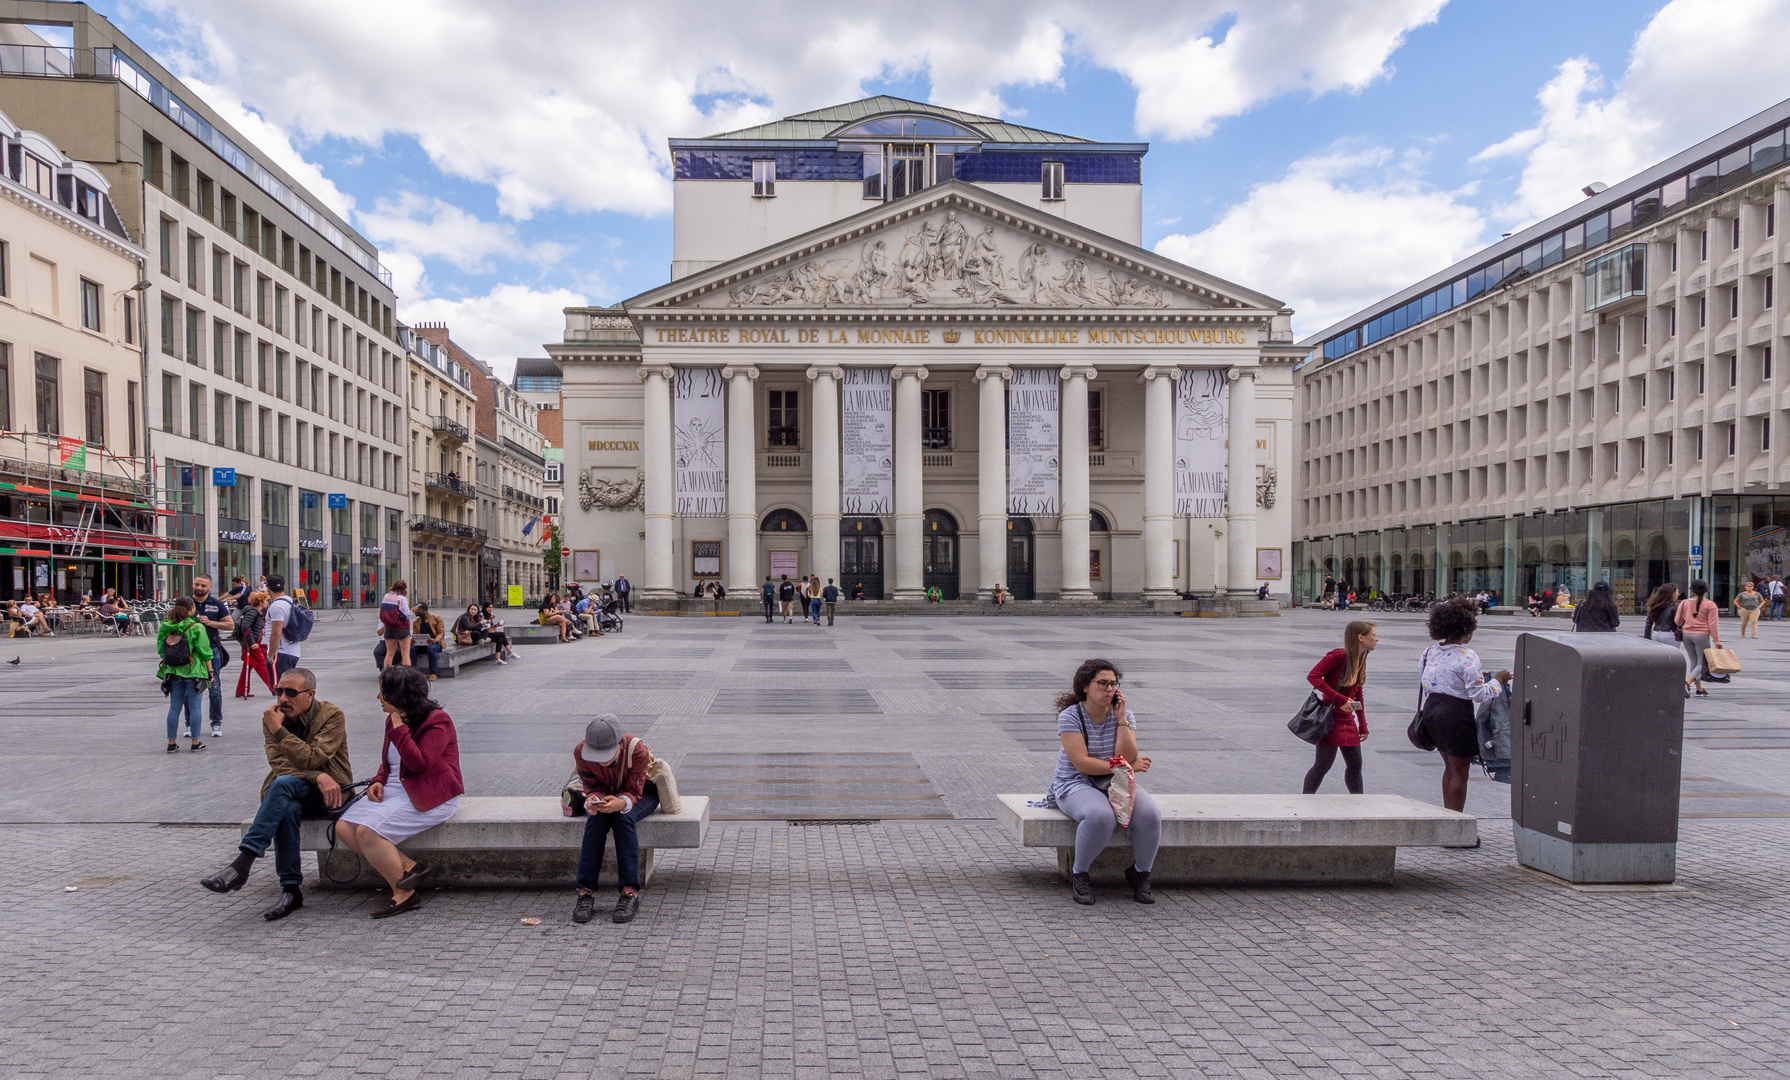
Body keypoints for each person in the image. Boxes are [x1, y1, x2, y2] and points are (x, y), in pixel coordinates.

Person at [199, 667, 350, 920]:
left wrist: (280, 733)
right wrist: (316, 776)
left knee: (281, 786)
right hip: (293, 790)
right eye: (278, 691)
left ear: (310, 694)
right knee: (286, 802)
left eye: (291, 693)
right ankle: (291, 890)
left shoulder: (331, 715)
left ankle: (243, 863)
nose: (282, 699)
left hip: (331, 794)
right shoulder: (273, 717)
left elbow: (314, 757)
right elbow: (279, 764)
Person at [333, 666, 464, 919]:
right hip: (395, 788)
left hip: (430, 794)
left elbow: (420, 764)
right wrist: (378, 779)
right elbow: (389, 761)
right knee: (344, 827)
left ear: (398, 695)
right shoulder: (392, 718)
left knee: (367, 831)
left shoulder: (438, 720)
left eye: (382, 692)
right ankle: (409, 867)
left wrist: (399, 728)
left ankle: (404, 893)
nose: (378, 697)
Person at [1039, 659, 1160, 905]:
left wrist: (1122, 719)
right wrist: (1129, 767)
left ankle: (1140, 873)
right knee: (1099, 816)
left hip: (1115, 782)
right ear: (1085, 686)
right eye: (1102, 683)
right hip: (1074, 783)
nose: (1109, 689)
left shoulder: (1124, 716)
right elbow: (1082, 763)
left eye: (1113, 684)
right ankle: (1080, 873)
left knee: (1150, 815)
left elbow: (1128, 757)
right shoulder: (1070, 716)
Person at [1416, 598, 1511, 822]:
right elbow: (1478, 694)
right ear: (1466, 629)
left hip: (1432, 711)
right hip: (1456, 714)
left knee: (1449, 768)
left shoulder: (1430, 652)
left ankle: (1449, 819)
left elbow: (1429, 678)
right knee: (1460, 772)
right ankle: (1456, 826)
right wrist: (1498, 680)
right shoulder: (1467, 656)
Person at [570, 715, 660, 925]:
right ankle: (585, 892)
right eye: (596, 754)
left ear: (620, 743)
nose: (601, 760)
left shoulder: (637, 749)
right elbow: (590, 786)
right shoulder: (580, 752)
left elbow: (635, 790)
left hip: (641, 793)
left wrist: (621, 803)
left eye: (606, 754)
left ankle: (630, 892)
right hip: (606, 793)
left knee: (623, 818)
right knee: (596, 819)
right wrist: (593, 801)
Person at [1303, 621, 1377, 795]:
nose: (1376, 639)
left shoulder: (1360, 661)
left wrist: (1363, 724)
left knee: (1355, 764)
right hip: (1330, 720)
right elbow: (1313, 676)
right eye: (1373, 635)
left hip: (1348, 721)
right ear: (1360, 637)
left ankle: (1358, 801)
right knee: (1322, 765)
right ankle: (1306, 799)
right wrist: (1339, 698)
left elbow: (1358, 693)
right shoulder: (1338, 656)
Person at [156, 596, 213, 754]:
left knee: (174, 707)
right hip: (194, 670)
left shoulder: (166, 626)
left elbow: (161, 650)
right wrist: (210, 672)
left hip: (173, 671)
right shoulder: (196, 627)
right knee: (195, 706)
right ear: (192, 609)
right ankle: (195, 742)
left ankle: (171, 742)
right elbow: (205, 652)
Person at [189, 575, 235, 739]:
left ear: (210, 588)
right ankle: (189, 724)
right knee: (190, 687)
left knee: (214, 687)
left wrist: (210, 623)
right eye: (197, 584)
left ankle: (216, 722)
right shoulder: (186, 603)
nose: (199, 588)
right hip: (190, 651)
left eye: (203, 585)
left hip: (211, 649)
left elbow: (230, 624)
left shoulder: (216, 604)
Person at [1676, 579, 1722, 698]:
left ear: (1692, 589)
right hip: (1702, 635)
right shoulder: (1710, 605)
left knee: (1693, 661)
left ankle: (1699, 688)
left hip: (1686, 634)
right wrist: (1716, 640)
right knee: (1702, 662)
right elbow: (1713, 624)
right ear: (1706, 590)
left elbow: (1677, 620)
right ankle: (1687, 683)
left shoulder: (1684, 602)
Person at [234, 591, 275, 698]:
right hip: (251, 645)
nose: (267, 602)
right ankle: (273, 687)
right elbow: (246, 627)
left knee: (247, 667)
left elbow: (250, 625)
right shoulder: (253, 612)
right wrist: (252, 643)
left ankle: (241, 690)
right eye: (265, 600)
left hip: (249, 644)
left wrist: (261, 629)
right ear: (261, 602)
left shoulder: (253, 611)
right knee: (262, 665)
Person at [263, 575, 302, 682]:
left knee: (281, 688)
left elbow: (276, 633)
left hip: (280, 652)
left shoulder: (277, 606)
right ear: (284, 587)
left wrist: (270, 655)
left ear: (268, 589)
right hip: (294, 650)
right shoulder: (291, 602)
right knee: (288, 687)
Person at [379, 580, 414, 671]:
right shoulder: (402, 598)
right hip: (401, 627)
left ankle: (385, 674)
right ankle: (408, 675)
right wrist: (412, 610)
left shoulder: (386, 596)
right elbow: (406, 615)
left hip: (389, 627)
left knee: (389, 653)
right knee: (405, 653)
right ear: (404, 589)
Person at [413, 603, 446, 680]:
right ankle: (413, 673)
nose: (415, 611)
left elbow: (441, 633)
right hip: (421, 644)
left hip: (435, 643)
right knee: (411, 649)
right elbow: (415, 634)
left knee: (431, 649)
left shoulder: (436, 618)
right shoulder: (416, 622)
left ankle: (433, 673)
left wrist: (435, 640)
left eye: (417, 610)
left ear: (423, 610)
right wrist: (414, 640)